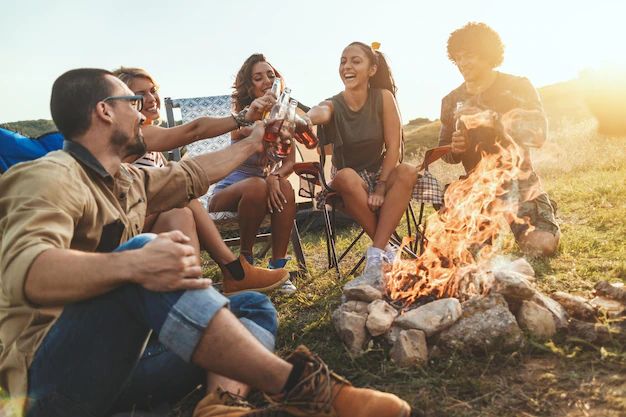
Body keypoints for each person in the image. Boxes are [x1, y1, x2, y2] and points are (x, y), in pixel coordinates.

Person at [0, 68, 410, 417]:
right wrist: (132, 265)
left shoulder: (124, 181)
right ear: (105, 111)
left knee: (251, 306)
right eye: (131, 101)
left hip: (119, 369)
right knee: (142, 251)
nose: (142, 112)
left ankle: (222, 403)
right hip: (46, 384)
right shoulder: (48, 177)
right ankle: (307, 389)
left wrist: (253, 141)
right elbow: (27, 271)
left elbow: (193, 174)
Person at [112, 66, 289, 296]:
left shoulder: (148, 140)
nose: (150, 98)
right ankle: (234, 270)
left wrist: (244, 117)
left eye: (152, 90)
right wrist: (243, 119)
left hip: (148, 220)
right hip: (125, 230)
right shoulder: (133, 136)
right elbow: (194, 130)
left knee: (180, 210)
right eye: (139, 94)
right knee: (179, 193)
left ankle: (196, 293)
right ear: (122, 102)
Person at [438, 22, 560, 256]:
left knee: (541, 246)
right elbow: (447, 153)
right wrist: (455, 148)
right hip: (476, 188)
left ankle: (542, 209)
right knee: (467, 254)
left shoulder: (517, 86)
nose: (463, 63)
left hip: (519, 182)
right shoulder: (451, 100)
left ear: (488, 55)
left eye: (470, 56)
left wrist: (494, 119)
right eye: (458, 58)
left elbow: (538, 134)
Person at [304, 42, 419, 287]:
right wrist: (304, 118)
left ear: (372, 69)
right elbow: (320, 111)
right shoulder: (333, 103)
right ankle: (388, 248)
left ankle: (377, 252)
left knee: (408, 170)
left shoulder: (383, 98)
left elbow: (394, 148)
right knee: (344, 175)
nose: (347, 66)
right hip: (348, 182)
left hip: (381, 174)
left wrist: (380, 186)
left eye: (355, 61)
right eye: (343, 61)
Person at [208, 54, 298, 294]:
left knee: (285, 187)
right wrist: (270, 116)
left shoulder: (285, 117)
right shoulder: (244, 117)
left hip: (260, 190)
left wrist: (275, 177)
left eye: (271, 75)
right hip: (227, 193)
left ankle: (278, 267)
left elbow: (289, 162)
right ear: (250, 87)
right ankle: (245, 266)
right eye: (258, 78)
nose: (267, 80)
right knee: (257, 185)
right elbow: (251, 136)